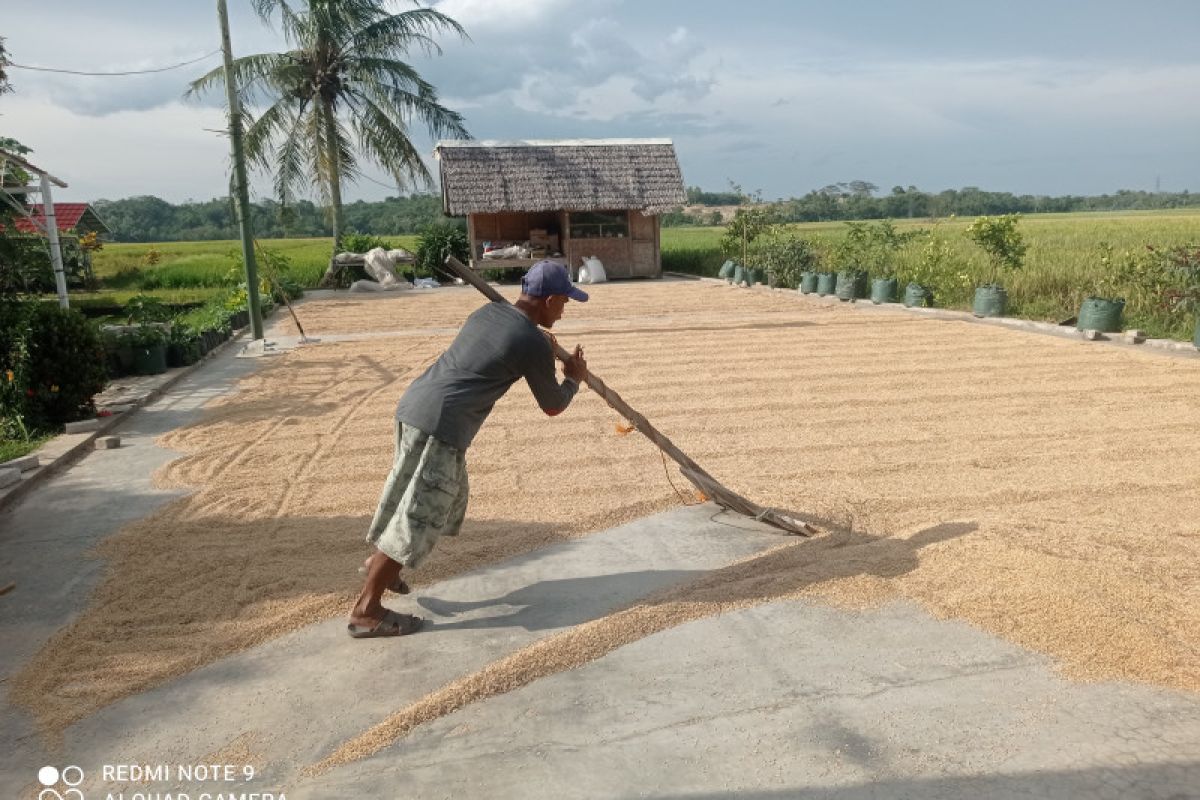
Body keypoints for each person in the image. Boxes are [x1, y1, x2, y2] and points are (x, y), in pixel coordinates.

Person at [348, 260, 590, 637]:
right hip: (441, 425)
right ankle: (367, 609)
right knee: (420, 514)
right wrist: (573, 379)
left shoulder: (490, 312)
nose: (565, 309)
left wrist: (543, 348)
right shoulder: (530, 341)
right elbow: (553, 404)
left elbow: (505, 344)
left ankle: (379, 564)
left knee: (442, 498)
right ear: (551, 299)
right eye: (565, 303)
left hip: (416, 406)